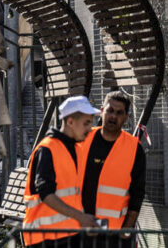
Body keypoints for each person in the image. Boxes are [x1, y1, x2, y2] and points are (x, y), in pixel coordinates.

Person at [23, 95, 100, 247]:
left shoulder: (75, 149)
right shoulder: (47, 149)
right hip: (45, 237)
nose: (89, 129)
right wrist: (81, 217)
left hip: (68, 234)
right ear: (70, 122)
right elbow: (46, 194)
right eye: (86, 123)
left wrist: (83, 220)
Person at [78, 91, 145, 247]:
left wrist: (126, 232)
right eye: (110, 111)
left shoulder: (134, 149)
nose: (113, 116)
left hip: (114, 235)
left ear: (126, 117)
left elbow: (138, 194)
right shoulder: (82, 139)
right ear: (102, 111)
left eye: (119, 113)